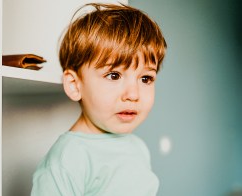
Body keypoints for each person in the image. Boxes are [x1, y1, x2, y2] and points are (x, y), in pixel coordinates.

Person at [31, 3, 167, 196]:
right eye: (114, 75)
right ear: (75, 85)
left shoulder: (138, 147)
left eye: (146, 78)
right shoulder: (68, 159)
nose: (133, 94)